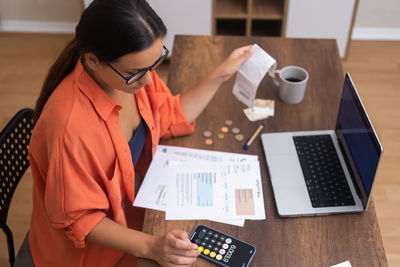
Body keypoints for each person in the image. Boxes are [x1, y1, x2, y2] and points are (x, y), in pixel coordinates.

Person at [27, 0, 252, 266]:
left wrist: (221, 74)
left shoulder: (132, 77)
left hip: (136, 212)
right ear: (92, 61)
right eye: (136, 73)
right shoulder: (69, 128)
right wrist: (152, 246)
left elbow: (170, 115)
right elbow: (81, 220)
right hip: (90, 253)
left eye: (156, 63)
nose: (149, 80)